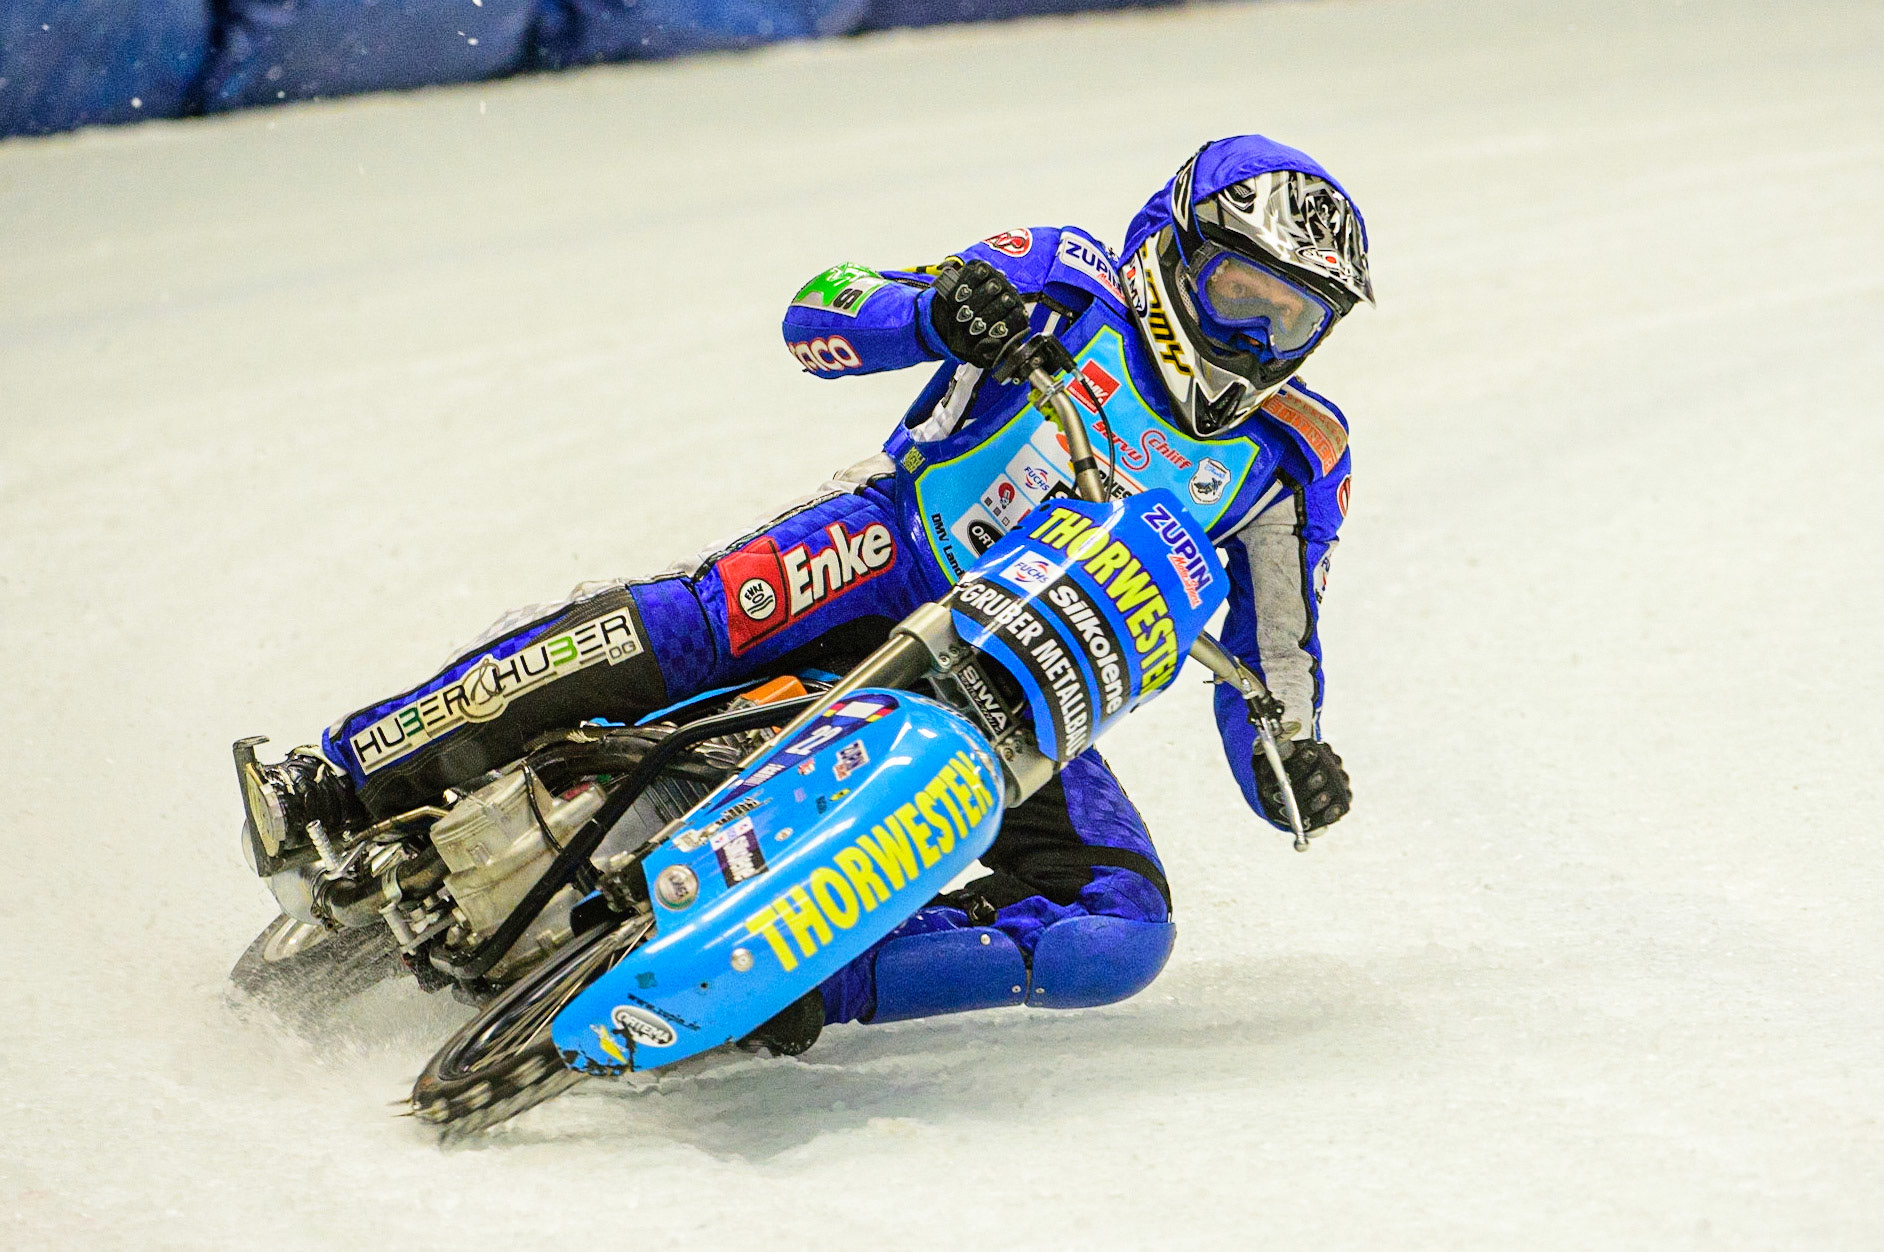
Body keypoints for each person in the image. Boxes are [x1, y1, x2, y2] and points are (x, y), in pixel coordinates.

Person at [239, 134, 1372, 1053]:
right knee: (681, 624)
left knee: (1118, 927)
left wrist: (1291, 771)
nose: (1259, 341)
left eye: (1295, 320)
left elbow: (1280, 653)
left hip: (1031, 685)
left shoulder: (1297, 452)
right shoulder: (1066, 277)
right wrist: (933, 313)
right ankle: (343, 775)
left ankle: (796, 985)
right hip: (885, 554)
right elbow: (819, 311)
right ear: (1173, 248)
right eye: (1241, 296)